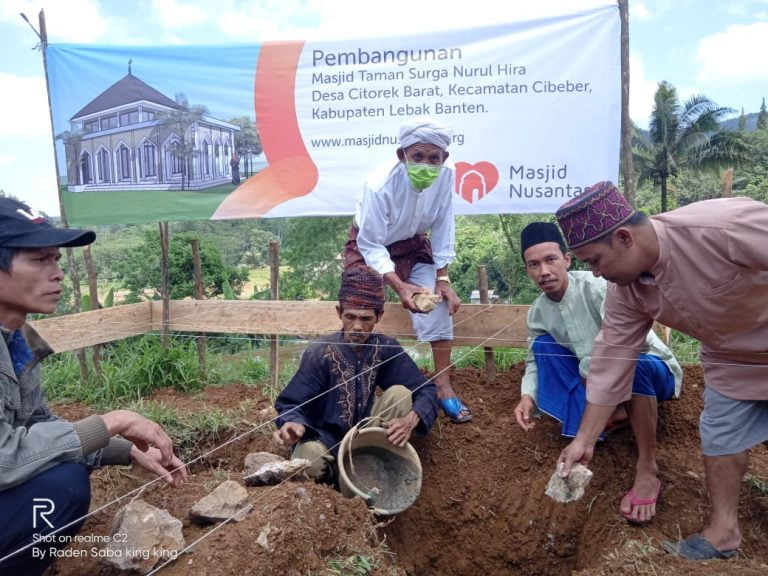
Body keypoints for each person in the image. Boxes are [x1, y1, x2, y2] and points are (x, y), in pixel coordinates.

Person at [554, 181, 768, 561]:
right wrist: (584, 440)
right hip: (729, 360)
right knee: (721, 436)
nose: (597, 274)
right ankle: (723, 532)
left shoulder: (723, 226)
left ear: (624, 237)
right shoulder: (627, 291)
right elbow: (612, 361)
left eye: (595, 261)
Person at [0, 197, 188, 576]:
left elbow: (35, 426)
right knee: (61, 487)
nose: (58, 273)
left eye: (56, 259)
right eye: (40, 260)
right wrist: (112, 421)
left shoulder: (19, 340)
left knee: (66, 468)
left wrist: (121, 449)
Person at [513, 221, 682, 524]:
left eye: (551, 260)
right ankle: (613, 414)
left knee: (632, 362)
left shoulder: (597, 287)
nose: (544, 272)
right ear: (527, 270)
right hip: (600, 384)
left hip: (652, 372)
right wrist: (528, 395)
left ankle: (647, 467)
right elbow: (535, 362)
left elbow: (629, 346)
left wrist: (591, 373)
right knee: (542, 346)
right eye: (534, 265)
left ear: (566, 259)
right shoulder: (538, 311)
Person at [343, 117, 469, 424]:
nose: (426, 164)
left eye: (433, 158)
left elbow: (442, 225)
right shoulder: (379, 185)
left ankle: (442, 384)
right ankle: (359, 382)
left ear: (444, 159)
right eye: (418, 157)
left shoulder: (445, 176)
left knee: (436, 302)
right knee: (360, 305)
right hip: (369, 243)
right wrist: (400, 286)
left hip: (413, 244)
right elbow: (371, 244)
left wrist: (443, 278)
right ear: (402, 156)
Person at [273, 266, 438, 484]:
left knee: (400, 394)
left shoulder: (384, 348)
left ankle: (369, 465)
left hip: (367, 436)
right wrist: (294, 423)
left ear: (379, 316)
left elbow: (426, 389)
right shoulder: (320, 351)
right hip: (325, 440)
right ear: (339, 312)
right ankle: (338, 484)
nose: (357, 327)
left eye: (366, 318)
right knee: (308, 459)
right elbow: (290, 403)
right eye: (350, 317)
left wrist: (411, 420)